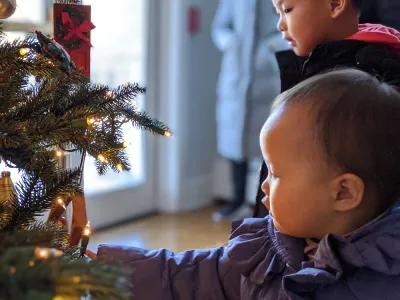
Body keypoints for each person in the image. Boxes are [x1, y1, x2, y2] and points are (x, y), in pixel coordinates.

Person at [87, 69, 400, 299]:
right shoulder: (273, 248)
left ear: (343, 193)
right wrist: (114, 268)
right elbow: (197, 274)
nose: (263, 185)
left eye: (276, 175)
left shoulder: (384, 281)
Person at [253, 0, 400, 218]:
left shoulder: (369, 79)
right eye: (278, 13)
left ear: (334, 4)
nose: (280, 25)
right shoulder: (313, 67)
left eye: (287, 10)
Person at [211, 0, 288, 220]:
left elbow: (290, 24)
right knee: (234, 141)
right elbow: (219, 27)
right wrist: (231, 43)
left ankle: (262, 205)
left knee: (268, 143)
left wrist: (271, 47)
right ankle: (236, 200)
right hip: (236, 72)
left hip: (268, 73)